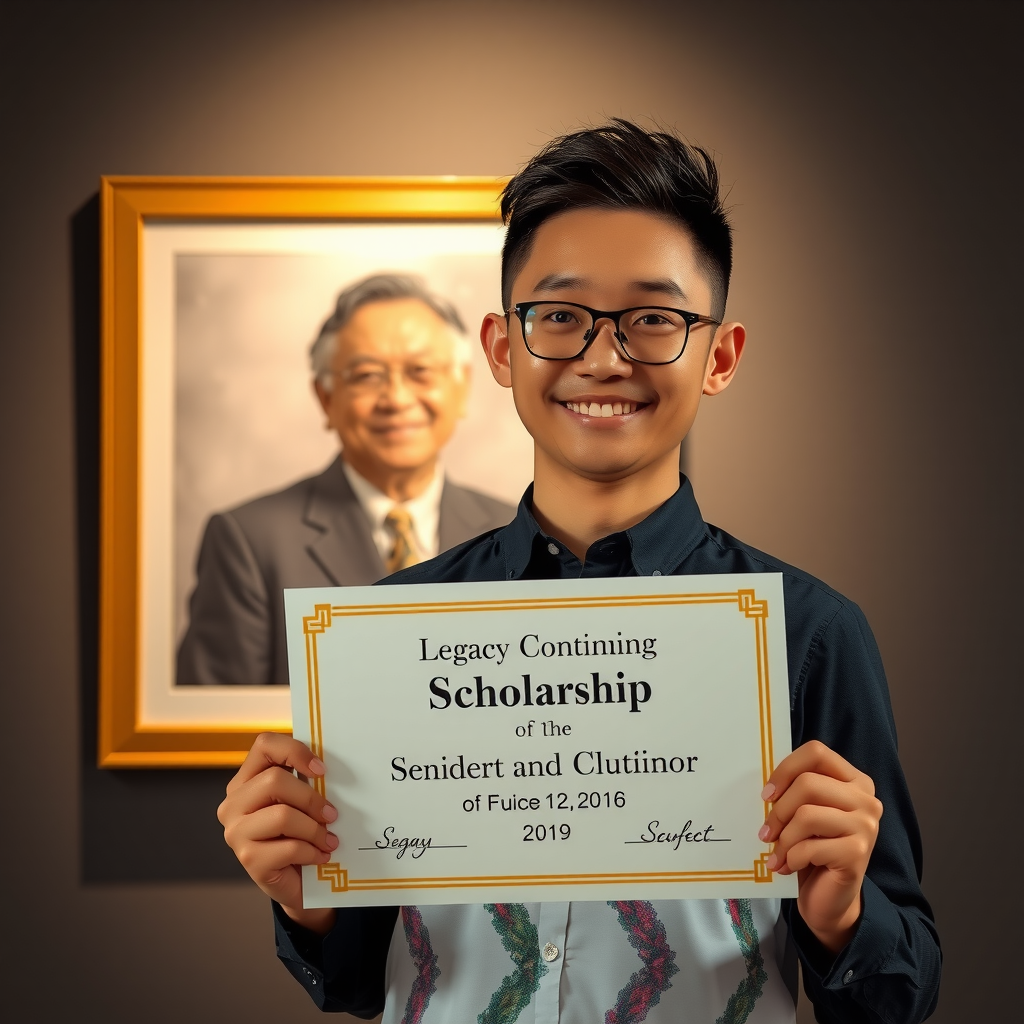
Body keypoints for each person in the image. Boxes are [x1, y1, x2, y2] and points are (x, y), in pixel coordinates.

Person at [216, 122, 941, 1021]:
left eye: (654, 319)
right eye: (559, 316)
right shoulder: (386, 632)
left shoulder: (809, 631)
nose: (604, 357)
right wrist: (305, 900)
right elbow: (359, 981)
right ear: (501, 348)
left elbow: (902, 992)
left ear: (719, 356)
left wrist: (844, 916)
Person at [177, 273, 515, 685]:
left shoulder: (516, 531)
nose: (396, 399)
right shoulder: (249, 541)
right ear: (326, 398)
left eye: (420, 371)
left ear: (461, 389)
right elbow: (214, 732)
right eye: (367, 375)